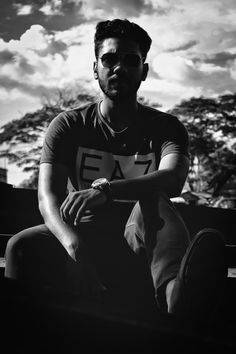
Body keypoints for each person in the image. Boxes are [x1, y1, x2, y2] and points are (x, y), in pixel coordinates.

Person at [4, 19, 227, 319]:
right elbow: (48, 199)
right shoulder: (68, 125)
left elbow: (173, 180)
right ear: (95, 68)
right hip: (84, 232)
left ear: (143, 71)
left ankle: (178, 297)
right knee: (19, 246)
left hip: (140, 235)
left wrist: (106, 191)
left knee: (153, 198)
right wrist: (75, 248)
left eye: (130, 60)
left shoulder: (166, 128)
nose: (119, 68)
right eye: (109, 59)